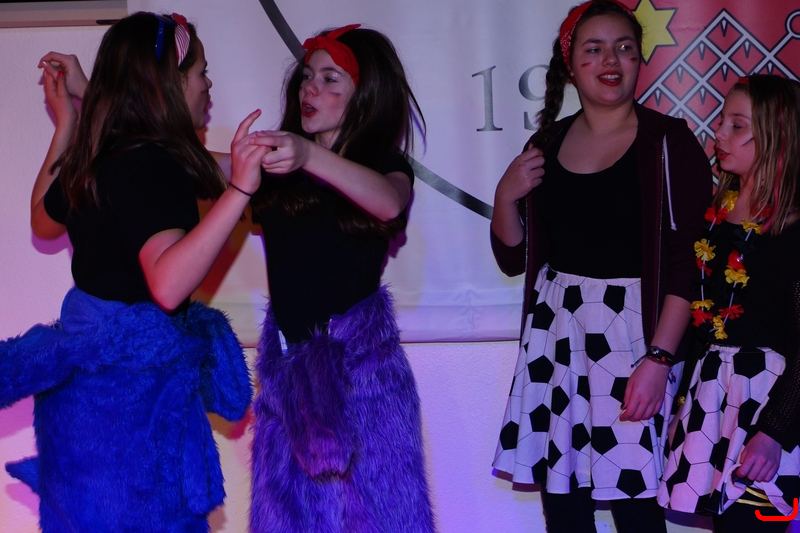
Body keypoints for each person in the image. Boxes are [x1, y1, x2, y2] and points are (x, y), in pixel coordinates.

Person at [0, 12, 269, 532]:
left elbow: (41, 217)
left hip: (82, 415)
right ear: (170, 85)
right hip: (132, 416)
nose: (208, 85)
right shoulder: (156, 168)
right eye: (200, 73)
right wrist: (239, 192)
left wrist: (69, 124)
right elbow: (167, 285)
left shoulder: (100, 157)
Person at [490, 1, 711, 531]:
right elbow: (514, 256)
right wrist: (504, 195)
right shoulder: (545, 143)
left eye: (624, 48)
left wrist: (660, 358)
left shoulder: (668, 142)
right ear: (570, 65)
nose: (611, 60)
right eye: (594, 49)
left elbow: (691, 264)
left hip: (636, 341)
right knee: (564, 506)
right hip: (556, 340)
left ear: (639, 61)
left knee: (636, 505)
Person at [247, 24, 435, 533]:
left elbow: (389, 202)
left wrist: (311, 155)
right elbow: (194, 165)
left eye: (330, 79)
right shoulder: (277, 172)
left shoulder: (386, 166)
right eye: (307, 77)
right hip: (290, 387)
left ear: (366, 96)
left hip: (363, 381)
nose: (310, 89)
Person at [657, 75, 800, 533]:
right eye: (721, 120)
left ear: (778, 137)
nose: (719, 133)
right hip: (714, 398)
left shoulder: (793, 231)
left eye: (737, 125)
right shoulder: (716, 218)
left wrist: (774, 431)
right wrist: (685, 403)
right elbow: (705, 323)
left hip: (771, 403)